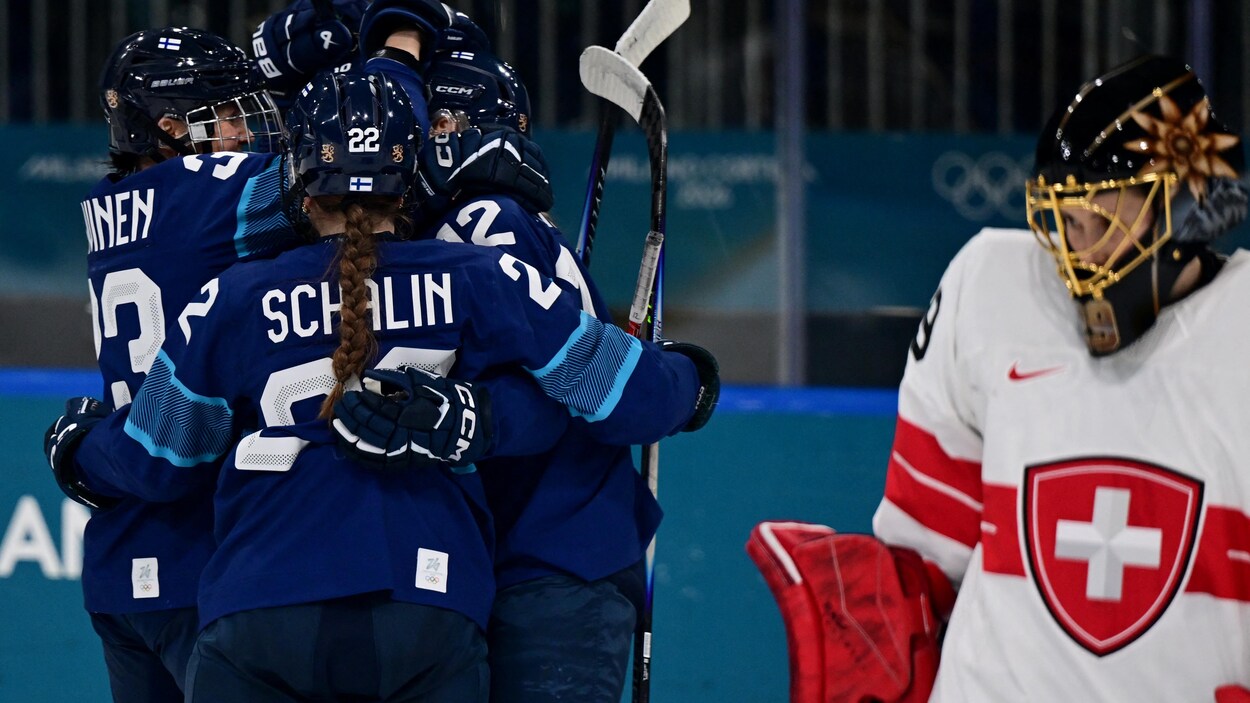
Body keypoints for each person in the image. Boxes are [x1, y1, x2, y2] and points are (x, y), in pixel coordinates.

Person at [46, 69, 717, 702]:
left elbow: (159, 456)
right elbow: (624, 392)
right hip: (427, 599)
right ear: (412, 179)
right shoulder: (476, 274)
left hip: (260, 603)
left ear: (299, 190)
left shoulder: (232, 296)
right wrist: (691, 380)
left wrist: (83, 450)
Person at [750, 55, 1250, 702]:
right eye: (1067, 221)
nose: (1081, 250)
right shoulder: (991, 286)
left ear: (1184, 204)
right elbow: (927, 551)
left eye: (1106, 219)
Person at [331, 31, 719, 702]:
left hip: (555, 559)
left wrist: (473, 417)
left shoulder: (486, 220)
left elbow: (568, 393)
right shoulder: (460, 226)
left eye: (435, 121)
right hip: (508, 560)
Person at [53, 26, 291, 703]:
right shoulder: (210, 192)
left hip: (119, 558)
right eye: (226, 115)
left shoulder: (111, 200)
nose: (244, 131)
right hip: (204, 548)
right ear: (168, 125)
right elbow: (349, 177)